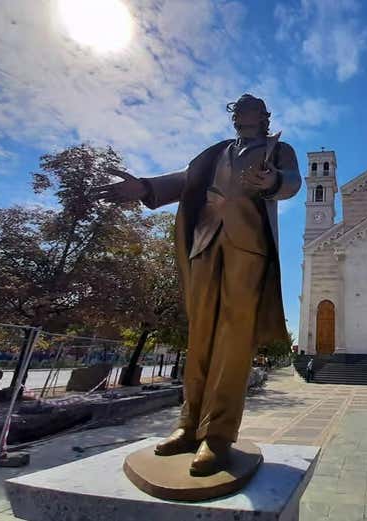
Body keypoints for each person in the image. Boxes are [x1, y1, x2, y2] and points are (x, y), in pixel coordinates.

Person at [92, 94, 300, 476]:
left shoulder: (278, 149)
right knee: (200, 335)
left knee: (234, 339)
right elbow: (185, 180)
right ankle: (188, 427)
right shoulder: (216, 152)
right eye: (235, 108)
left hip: (248, 247)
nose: (239, 112)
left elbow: (290, 184)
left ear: (263, 115)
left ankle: (217, 437)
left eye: (247, 107)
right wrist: (145, 187)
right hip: (205, 242)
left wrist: (272, 180)